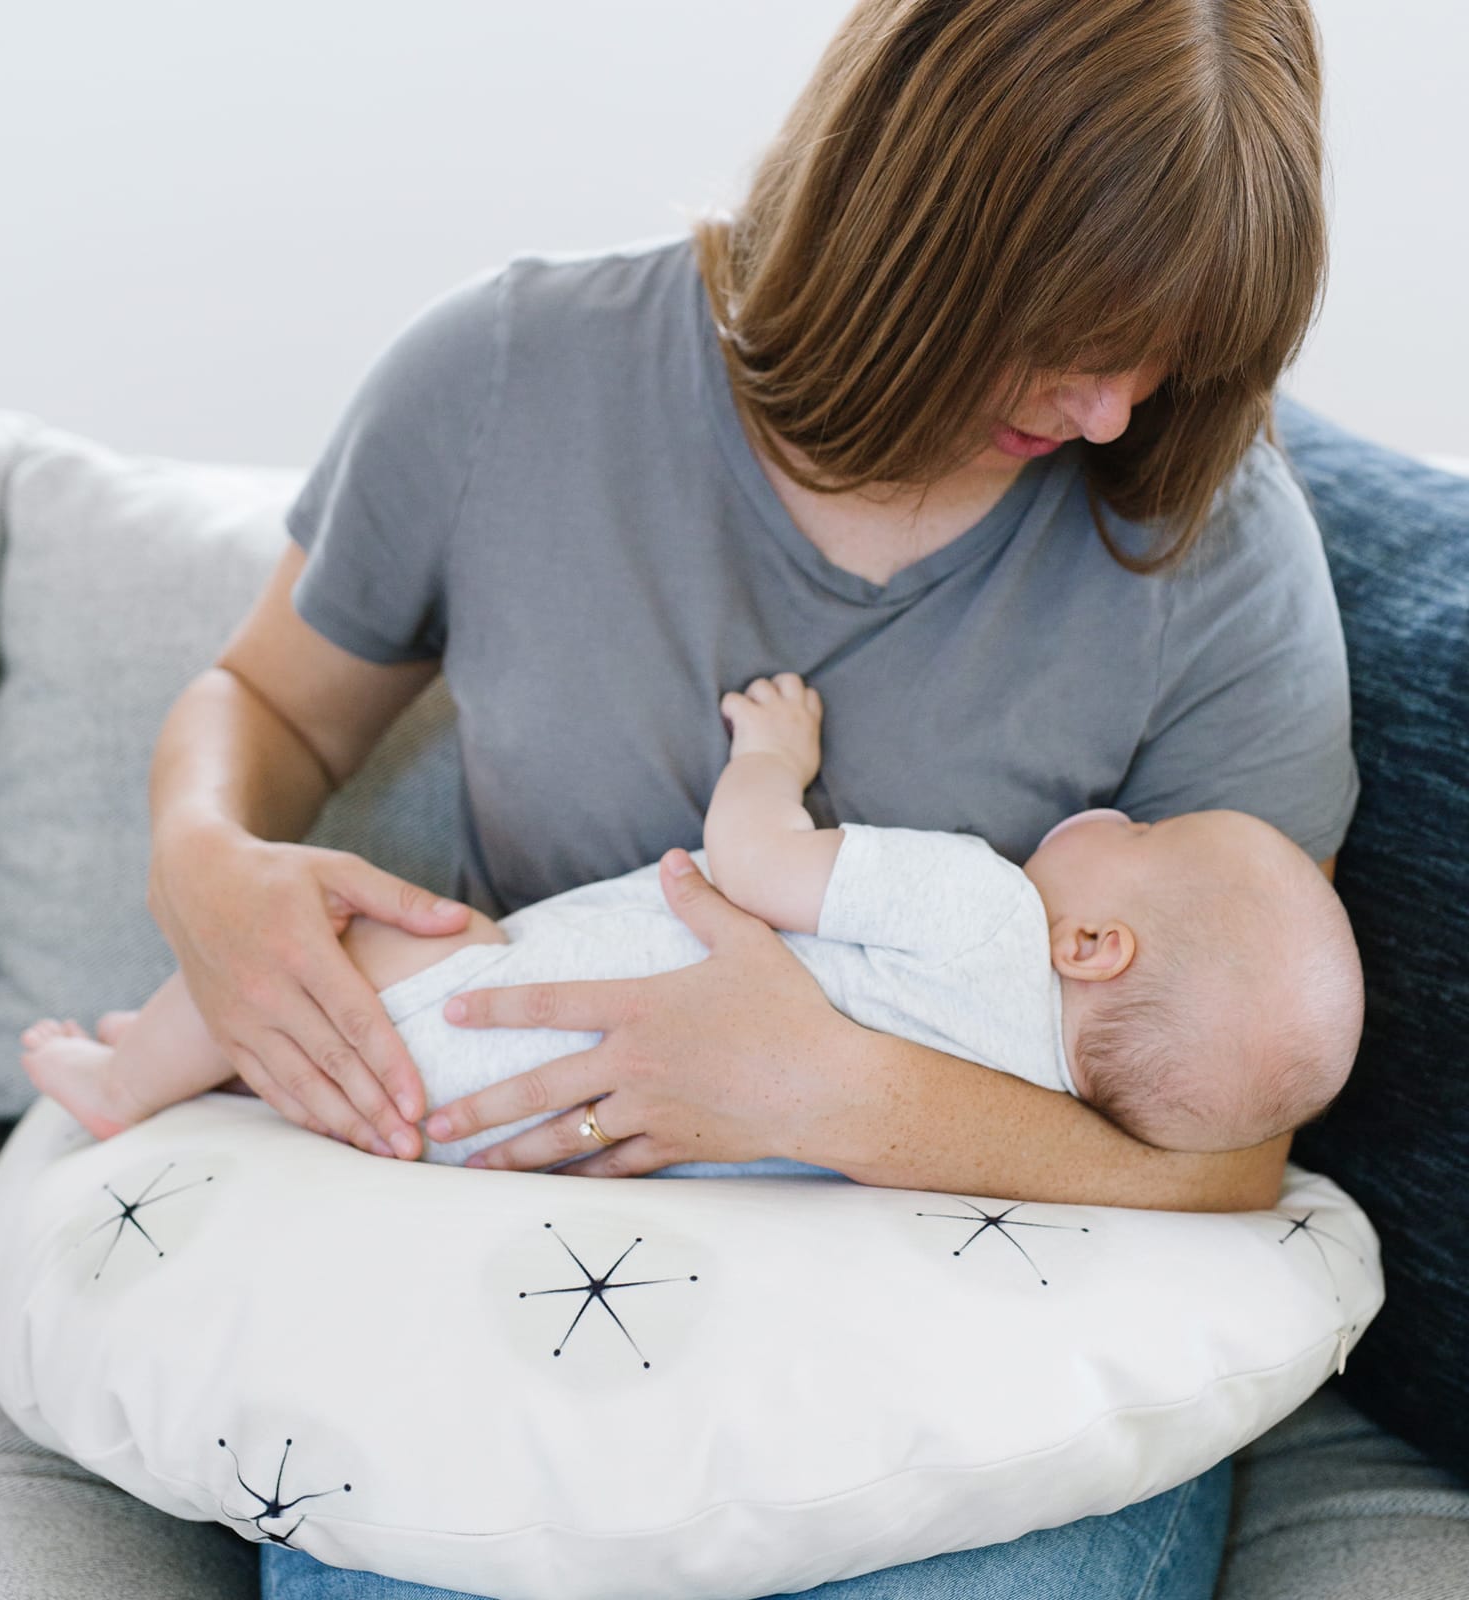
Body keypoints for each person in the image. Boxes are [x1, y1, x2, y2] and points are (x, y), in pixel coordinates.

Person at [139, 1, 1350, 1593]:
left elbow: (1232, 1156)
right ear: (907, 222)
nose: (1115, 413)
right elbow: (269, 702)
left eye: (1168, 352)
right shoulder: (510, 375)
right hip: (536, 1253)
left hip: (963, 1326)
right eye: (1074, 332)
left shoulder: (1214, 554)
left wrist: (829, 1093)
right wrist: (205, 858)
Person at [23, 675, 1362, 1161]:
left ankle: (123, 1075)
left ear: (1091, 944)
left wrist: (774, 754)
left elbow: (755, 858)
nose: (1120, 820)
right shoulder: (1026, 1112)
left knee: (329, 936)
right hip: (549, 1144)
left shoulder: (983, 905)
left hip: (492, 1018)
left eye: (1148, 833)